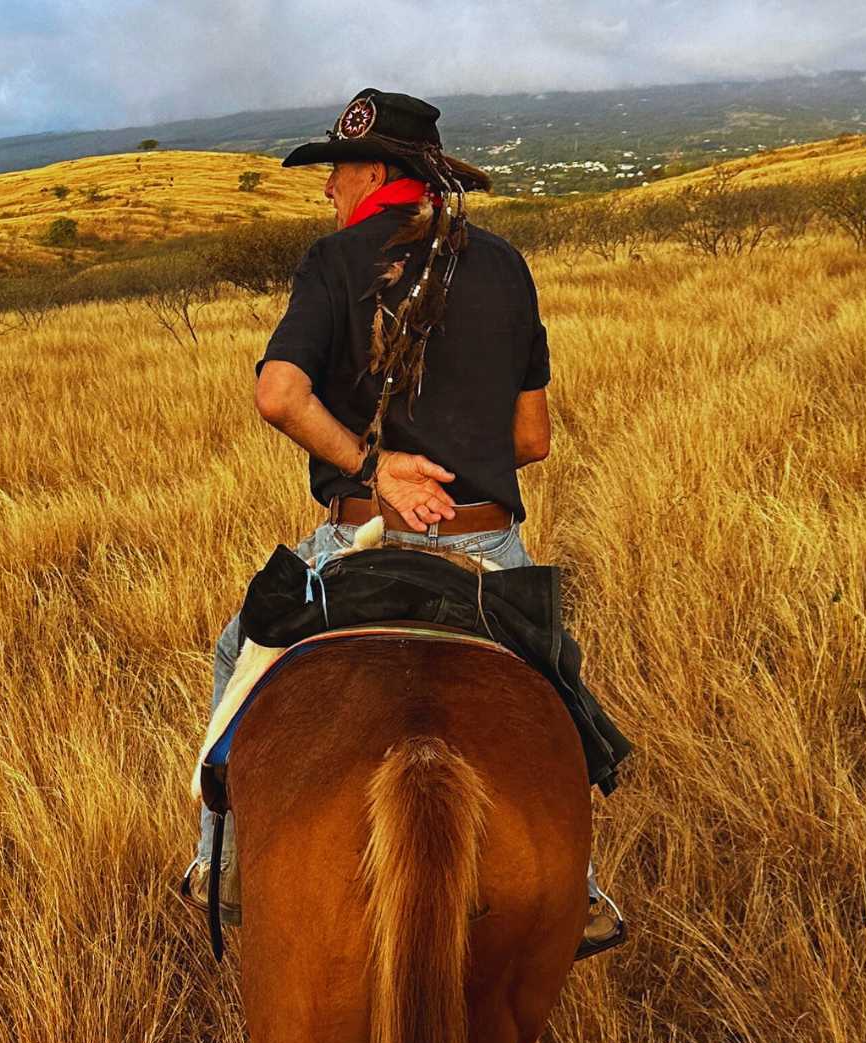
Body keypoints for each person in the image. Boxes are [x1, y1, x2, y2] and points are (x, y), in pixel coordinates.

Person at [181, 88, 625, 959]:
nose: (327, 191)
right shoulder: (505, 264)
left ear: (376, 172)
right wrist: (456, 463)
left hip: (361, 536)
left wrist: (377, 467)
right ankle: (577, 890)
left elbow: (279, 394)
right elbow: (532, 439)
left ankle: (219, 871)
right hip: (484, 539)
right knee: (552, 675)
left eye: (336, 172)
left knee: (238, 649)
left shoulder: (335, 261)